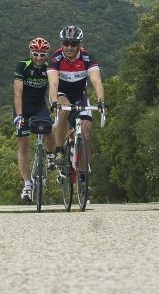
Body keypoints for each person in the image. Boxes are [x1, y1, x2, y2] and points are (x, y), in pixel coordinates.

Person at [47, 25, 106, 178]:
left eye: (73, 44)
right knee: (64, 109)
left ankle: (83, 174)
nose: (69, 47)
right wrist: (54, 102)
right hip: (61, 94)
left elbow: (96, 82)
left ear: (79, 44)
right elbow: (53, 84)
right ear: (61, 44)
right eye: (66, 43)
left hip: (80, 95)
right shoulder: (55, 59)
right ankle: (59, 151)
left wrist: (101, 101)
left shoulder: (87, 59)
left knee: (85, 136)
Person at [13, 37, 54, 203]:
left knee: (50, 129)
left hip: (39, 106)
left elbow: (53, 88)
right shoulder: (23, 66)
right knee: (23, 143)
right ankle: (27, 183)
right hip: (24, 107)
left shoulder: (49, 68)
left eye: (42, 54)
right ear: (30, 53)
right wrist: (20, 116)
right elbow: (17, 93)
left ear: (46, 55)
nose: (39, 57)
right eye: (36, 54)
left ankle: (50, 156)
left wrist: (54, 105)